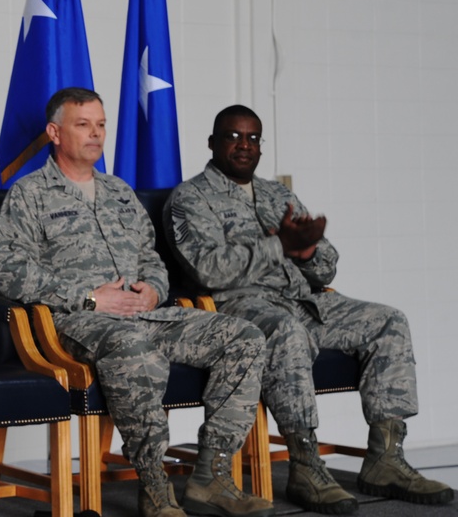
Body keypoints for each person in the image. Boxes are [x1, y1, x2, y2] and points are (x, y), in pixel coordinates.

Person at [0, 88, 274, 517]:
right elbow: (8, 271)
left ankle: (211, 475)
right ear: (54, 132)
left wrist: (155, 289)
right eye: (83, 124)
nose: (96, 134)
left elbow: (150, 258)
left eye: (101, 125)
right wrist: (88, 298)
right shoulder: (29, 194)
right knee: (132, 348)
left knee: (244, 337)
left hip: (147, 314)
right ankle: (155, 485)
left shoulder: (120, 192)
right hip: (78, 323)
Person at [165, 104, 454, 514]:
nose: (243, 145)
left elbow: (328, 264)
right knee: (286, 331)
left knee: (388, 320)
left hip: (305, 302)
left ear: (260, 147)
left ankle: (386, 458)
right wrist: (276, 246)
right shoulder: (190, 198)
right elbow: (207, 270)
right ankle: (305, 465)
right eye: (232, 136)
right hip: (241, 309)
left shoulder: (277, 195)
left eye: (252, 138)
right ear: (212, 143)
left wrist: (307, 251)